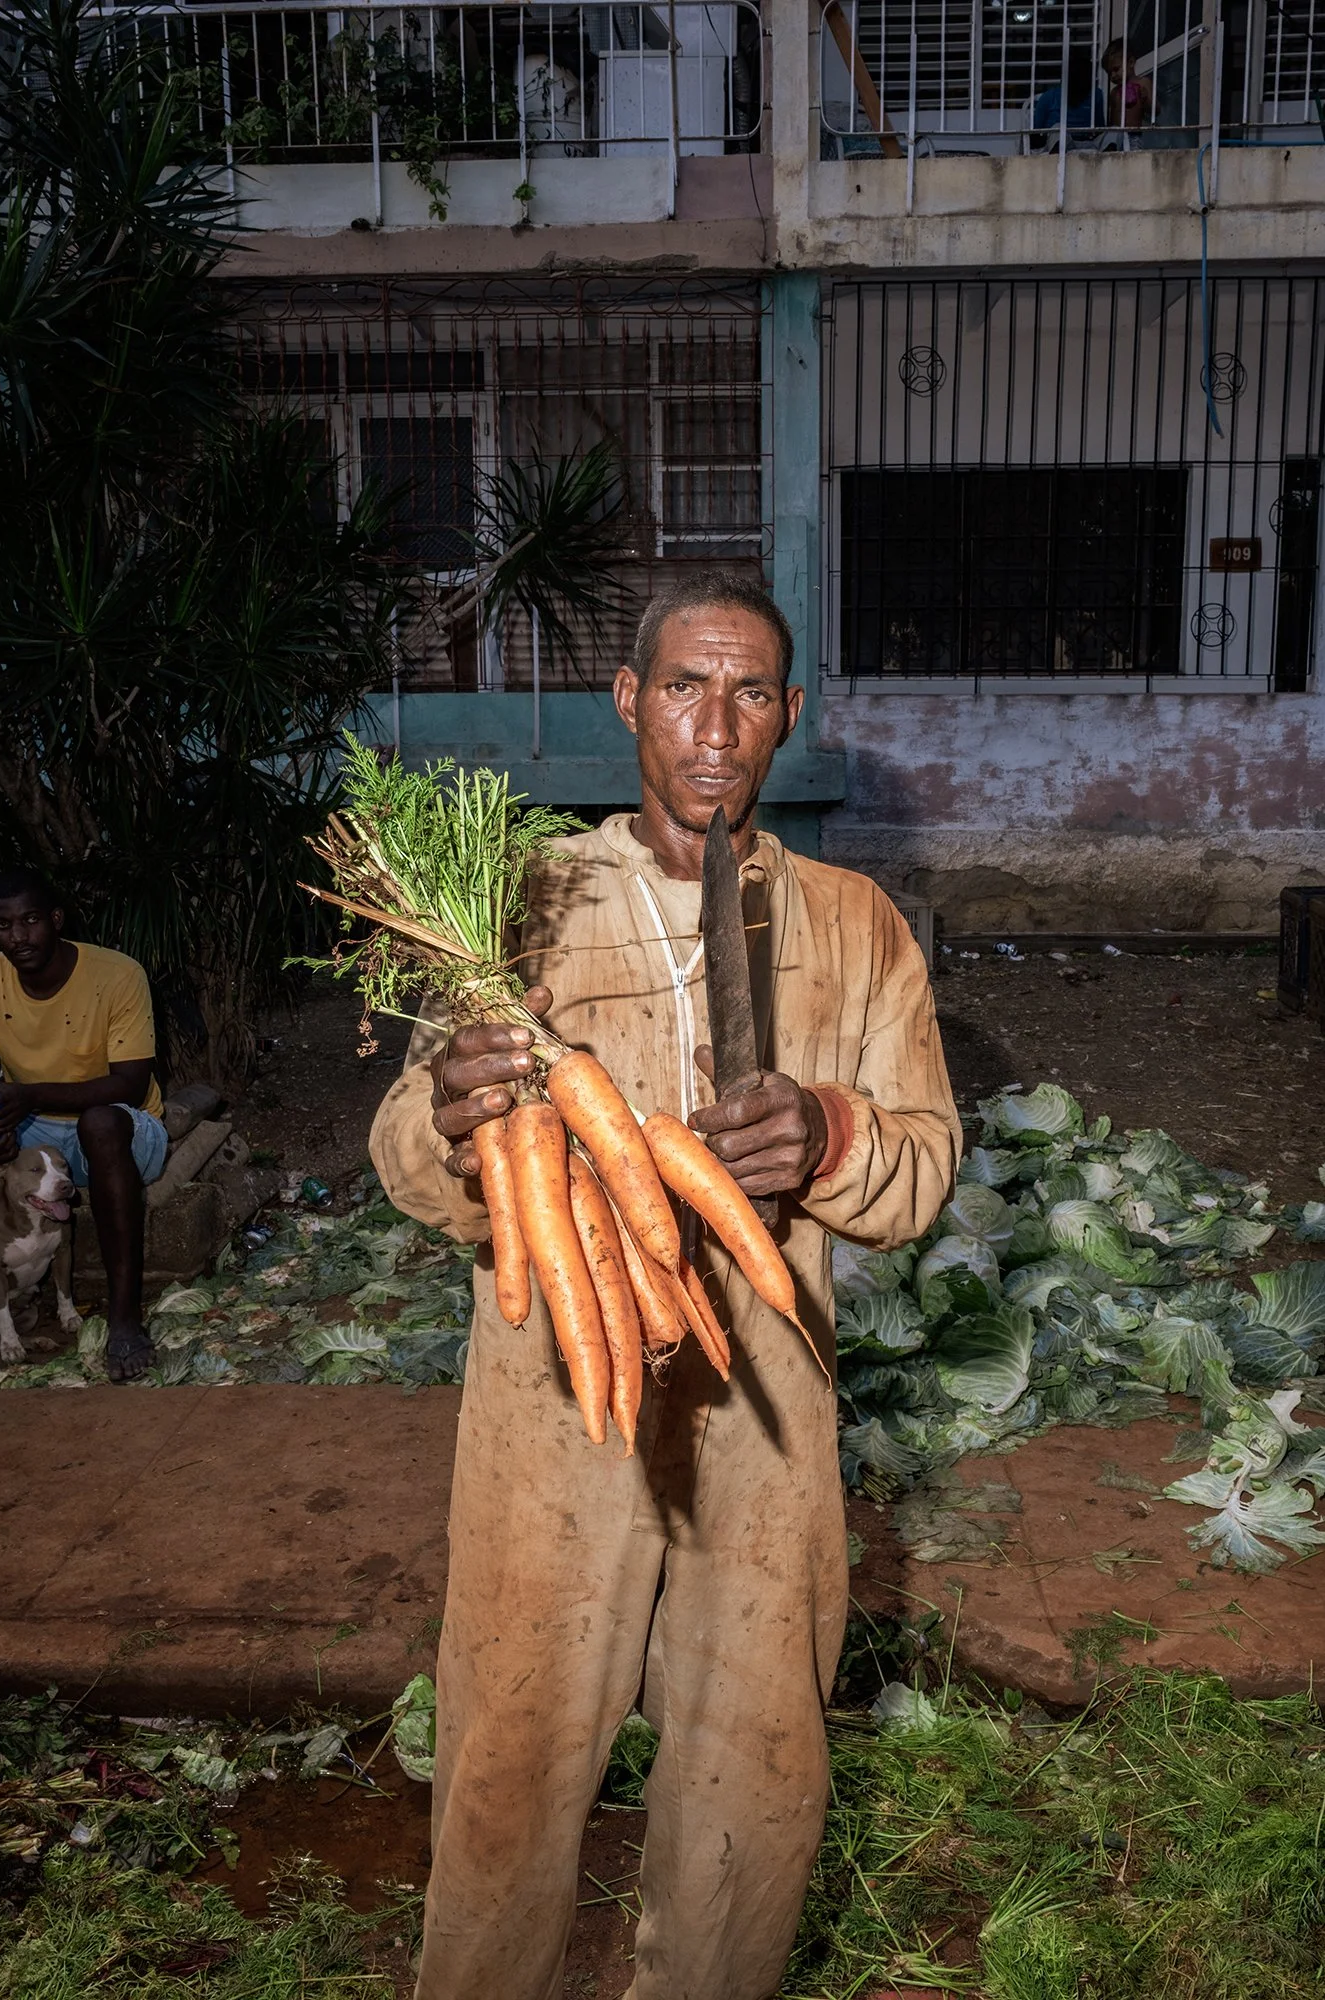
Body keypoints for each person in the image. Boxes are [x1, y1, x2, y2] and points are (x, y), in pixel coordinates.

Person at [369, 572, 961, 2000]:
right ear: (627, 701)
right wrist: (453, 1124)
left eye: (750, 691)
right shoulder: (521, 903)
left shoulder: (854, 919)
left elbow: (925, 1165)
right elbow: (400, 1151)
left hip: (767, 1403)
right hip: (550, 1403)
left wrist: (830, 1133)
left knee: (752, 1770)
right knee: (511, 1756)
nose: (716, 726)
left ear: (789, 717)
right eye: (684, 687)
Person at [0, 866, 167, 1382]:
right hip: (34, 1133)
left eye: (30, 920)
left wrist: (26, 1096)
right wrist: (0, 1126)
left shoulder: (117, 974)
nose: (17, 937)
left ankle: (124, 1321)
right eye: (2, 926)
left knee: (100, 1124)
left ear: (56, 919)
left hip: (127, 1130)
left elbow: (129, 1085)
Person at [1030, 46, 1106, 136]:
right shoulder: (1049, 97)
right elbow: (1035, 131)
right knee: (1058, 129)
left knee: (1115, 133)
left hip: (1087, 144)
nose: (1078, 81)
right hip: (1058, 144)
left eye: (1082, 76)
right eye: (1075, 77)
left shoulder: (1096, 95)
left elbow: (1100, 129)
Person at [1103, 36, 1151, 130]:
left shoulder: (1143, 83)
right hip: (1115, 136)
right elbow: (1111, 119)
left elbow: (1155, 111)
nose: (1112, 75)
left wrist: (1146, 99)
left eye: (1116, 69)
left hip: (1133, 135)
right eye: (1109, 73)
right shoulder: (1114, 92)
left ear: (1131, 63)